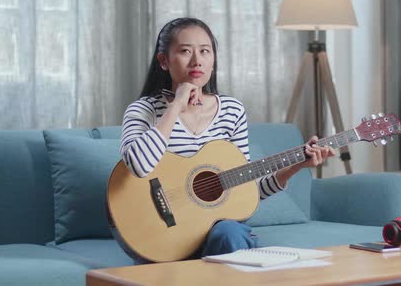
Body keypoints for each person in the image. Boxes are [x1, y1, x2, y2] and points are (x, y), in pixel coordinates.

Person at [120, 17, 334, 262]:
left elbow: (246, 190)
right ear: (164, 61)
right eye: (185, 51)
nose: (197, 60)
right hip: (160, 235)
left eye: (205, 51)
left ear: (213, 60)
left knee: (229, 232)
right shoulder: (143, 110)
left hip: (216, 234)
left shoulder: (231, 110)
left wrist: (296, 165)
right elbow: (138, 165)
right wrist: (176, 105)